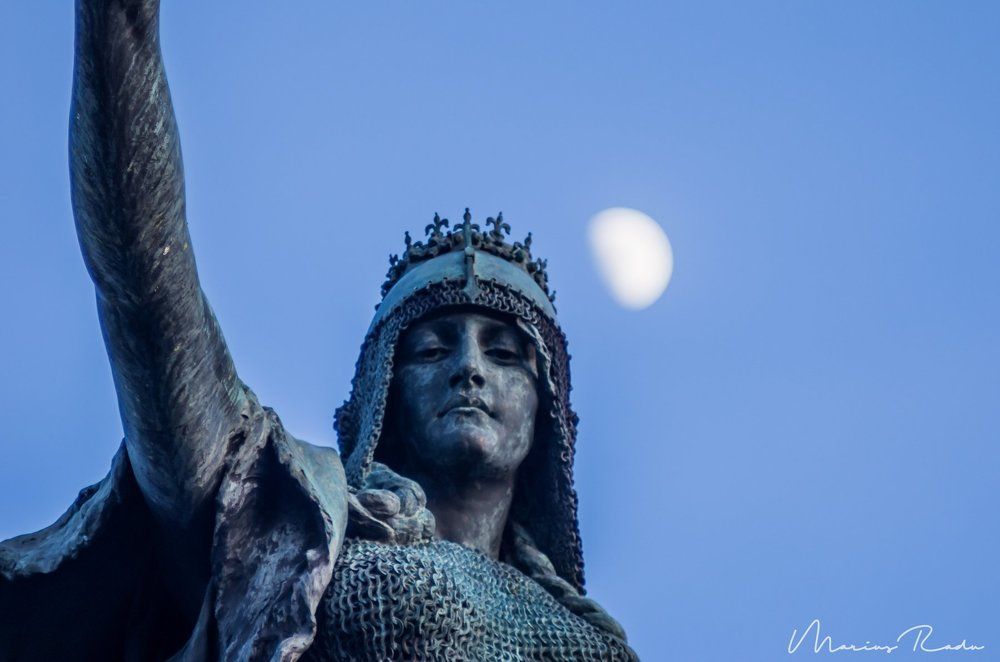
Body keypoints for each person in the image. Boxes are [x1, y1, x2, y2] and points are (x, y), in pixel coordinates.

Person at [0, 1, 635, 660]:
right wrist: (120, 23)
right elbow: (146, 291)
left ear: (546, 407)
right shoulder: (296, 520)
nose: (469, 367)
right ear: (384, 388)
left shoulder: (594, 643)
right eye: (430, 348)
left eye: (504, 352)